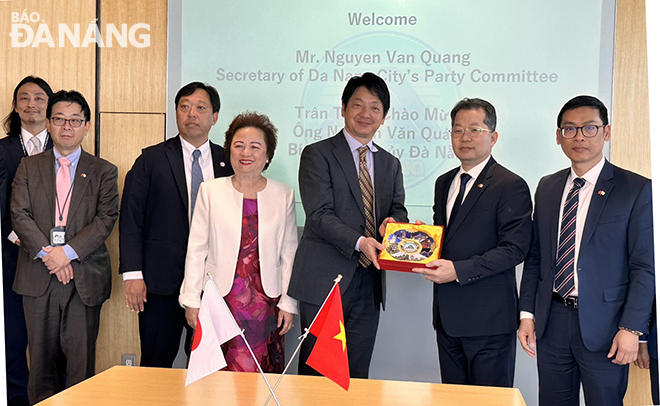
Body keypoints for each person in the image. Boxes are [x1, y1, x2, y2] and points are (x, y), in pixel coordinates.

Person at [518, 95, 654, 406]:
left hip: (607, 327)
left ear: (607, 132)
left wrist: (632, 329)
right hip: (552, 322)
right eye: (570, 129)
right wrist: (527, 314)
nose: (579, 136)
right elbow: (536, 256)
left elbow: (645, 267)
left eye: (589, 128)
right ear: (558, 136)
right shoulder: (548, 187)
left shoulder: (635, 189)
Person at [288, 72, 408, 378]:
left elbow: (398, 209)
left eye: (375, 108)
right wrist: (361, 242)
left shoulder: (390, 164)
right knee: (318, 372)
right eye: (358, 104)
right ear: (343, 108)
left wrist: (394, 225)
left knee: (356, 375)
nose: (365, 114)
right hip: (324, 280)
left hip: (369, 282)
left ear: (384, 117)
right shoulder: (317, 154)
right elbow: (319, 214)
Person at [411, 98, 532, 387]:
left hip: (489, 321)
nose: (465, 137)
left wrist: (458, 270)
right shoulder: (444, 182)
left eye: (475, 129)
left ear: (493, 137)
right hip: (447, 319)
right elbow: (449, 236)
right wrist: (419, 238)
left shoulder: (509, 184)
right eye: (457, 130)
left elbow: (514, 249)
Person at [11, 90, 119, 404]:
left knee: (81, 366)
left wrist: (67, 253)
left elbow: (105, 218)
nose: (66, 127)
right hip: (38, 276)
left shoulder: (104, 171)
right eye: (59, 120)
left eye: (75, 120)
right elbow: (19, 213)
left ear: (87, 126)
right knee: (41, 365)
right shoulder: (28, 167)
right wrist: (49, 254)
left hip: (83, 277)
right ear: (49, 123)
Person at [119, 82, 233, 367]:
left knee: (207, 366)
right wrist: (132, 274)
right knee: (156, 364)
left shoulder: (228, 162)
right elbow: (131, 217)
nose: (191, 113)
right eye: (184, 107)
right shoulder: (151, 159)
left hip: (213, 283)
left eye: (200, 108)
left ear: (214, 117)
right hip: (160, 284)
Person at [179, 111, 297, 372]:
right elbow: (197, 247)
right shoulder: (211, 191)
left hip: (266, 305)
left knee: (259, 375)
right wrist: (191, 299)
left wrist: (289, 302)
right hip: (220, 300)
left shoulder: (283, 194)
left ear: (267, 155)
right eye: (239, 145)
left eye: (255, 147)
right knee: (216, 376)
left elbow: (289, 254)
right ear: (229, 151)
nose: (246, 153)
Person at [1, 76, 54, 406]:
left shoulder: (65, 146)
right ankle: (16, 398)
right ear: (16, 105)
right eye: (24, 97)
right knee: (14, 334)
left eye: (39, 97)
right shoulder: (2, 149)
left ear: (49, 106)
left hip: (54, 256)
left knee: (54, 334)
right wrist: (14, 232)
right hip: (10, 252)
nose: (31, 103)